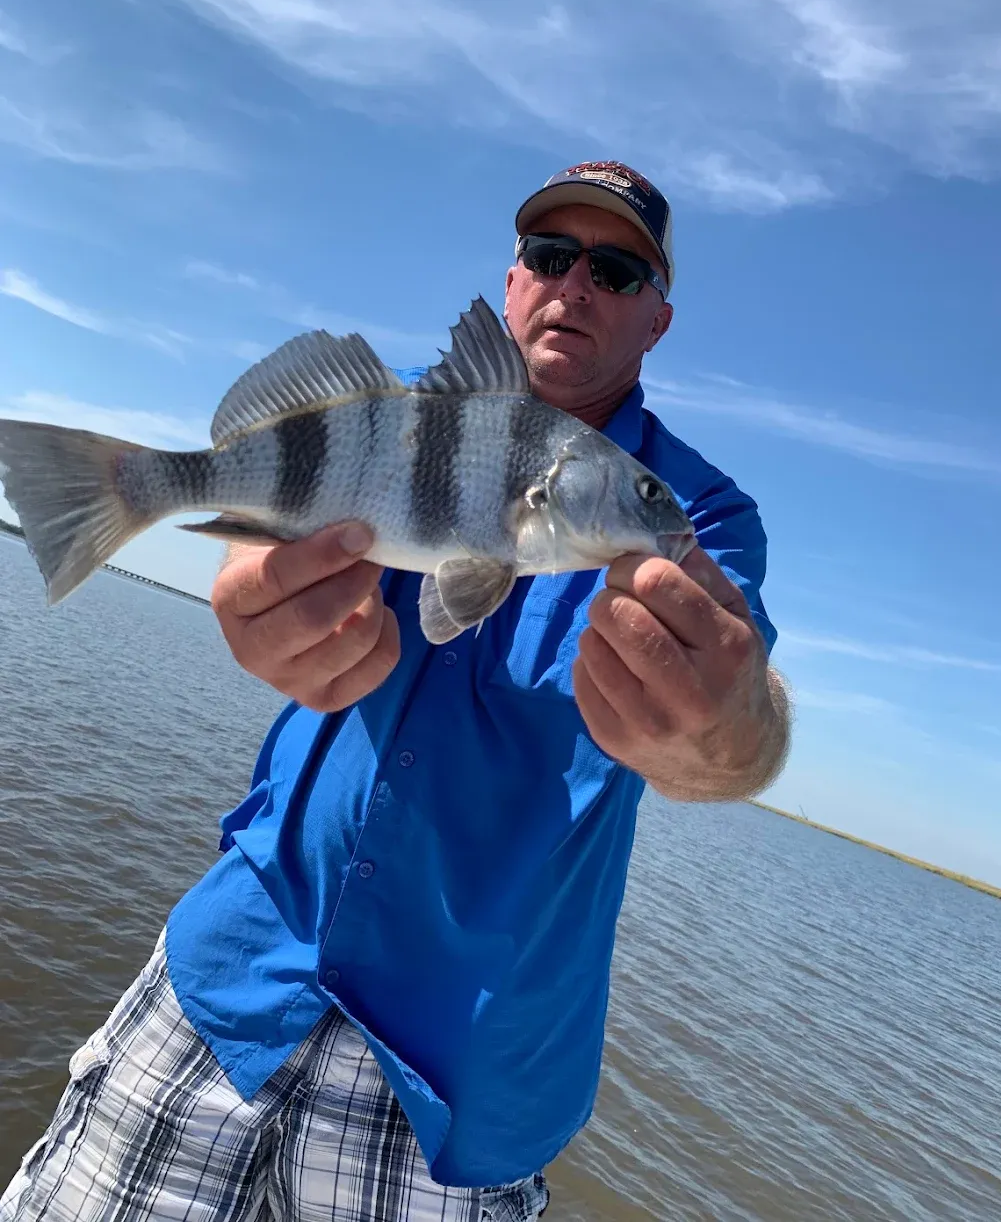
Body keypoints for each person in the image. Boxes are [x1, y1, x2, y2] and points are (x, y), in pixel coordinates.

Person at [2, 162, 789, 1222]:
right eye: (551, 257)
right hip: (238, 971)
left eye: (615, 269)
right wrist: (250, 600)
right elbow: (260, 565)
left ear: (657, 317)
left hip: (458, 1076)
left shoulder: (700, 516)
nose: (575, 285)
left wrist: (723, 725)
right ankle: (126, 483)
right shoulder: (400, 410)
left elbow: (735, 742)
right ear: (513, 283)